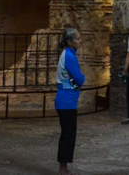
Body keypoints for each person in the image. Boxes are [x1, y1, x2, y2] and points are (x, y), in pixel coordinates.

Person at [55, 28, 85, 175]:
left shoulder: (67, 54)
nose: (80, 41)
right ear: (69, 42)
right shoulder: (69, 56)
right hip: (66, 101)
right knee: (68, 136)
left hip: (66, 100)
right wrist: (82, 78)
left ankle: (64, 167)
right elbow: (79, 79)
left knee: (67, 134)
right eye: (77, 39)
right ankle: (63, 169)